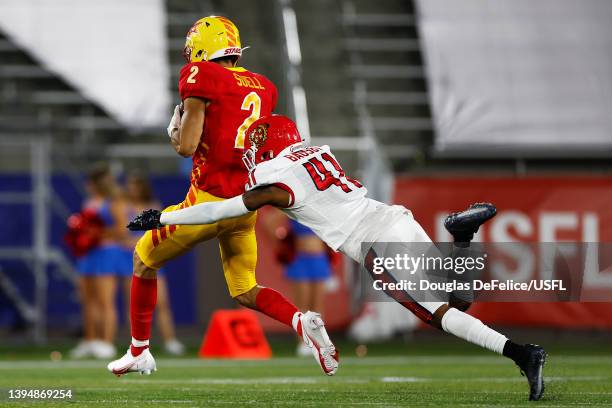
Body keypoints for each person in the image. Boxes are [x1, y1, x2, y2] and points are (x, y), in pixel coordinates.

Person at [129, 115, 548, 401]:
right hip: (392, 216)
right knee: (456, 303)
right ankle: (461, 241)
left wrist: (164, 216)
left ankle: (522, 353)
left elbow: (225, 208)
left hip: (373, 242)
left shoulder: (277, 179)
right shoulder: (315, 153)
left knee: (438, 315)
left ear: (265, 147)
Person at [107, 16, 338, 377]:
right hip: (244, 203)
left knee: (142, 258)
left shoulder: (201, 75)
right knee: (245, 288)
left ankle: (139, 350)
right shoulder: (264, 86)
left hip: (206, 202)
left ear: (203, 47)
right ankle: (300, 321)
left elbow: (186, 147)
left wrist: (175, 131)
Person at [121, 174, 185, 355]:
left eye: (135, 186)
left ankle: (170, 341)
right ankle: (136, 345)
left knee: (162, 302)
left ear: (142, 188)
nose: (131, 190)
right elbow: (123, 235)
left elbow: (159, 233)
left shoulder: (153, 206)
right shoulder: (124, 207)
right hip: (131, 259)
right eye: (129, 186)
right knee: (134, 303)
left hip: (152, 257)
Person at [70, 164, 127, 359]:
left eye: (90, 182)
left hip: (106, 253)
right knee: (88, 300)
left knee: (105, 301)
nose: (88, 185)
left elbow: (122, 229)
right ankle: (90, 340)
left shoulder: (113, 202)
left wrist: (97, 233)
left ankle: (107, 342)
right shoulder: (89, 201)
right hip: (89, 254)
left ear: (96, 183)